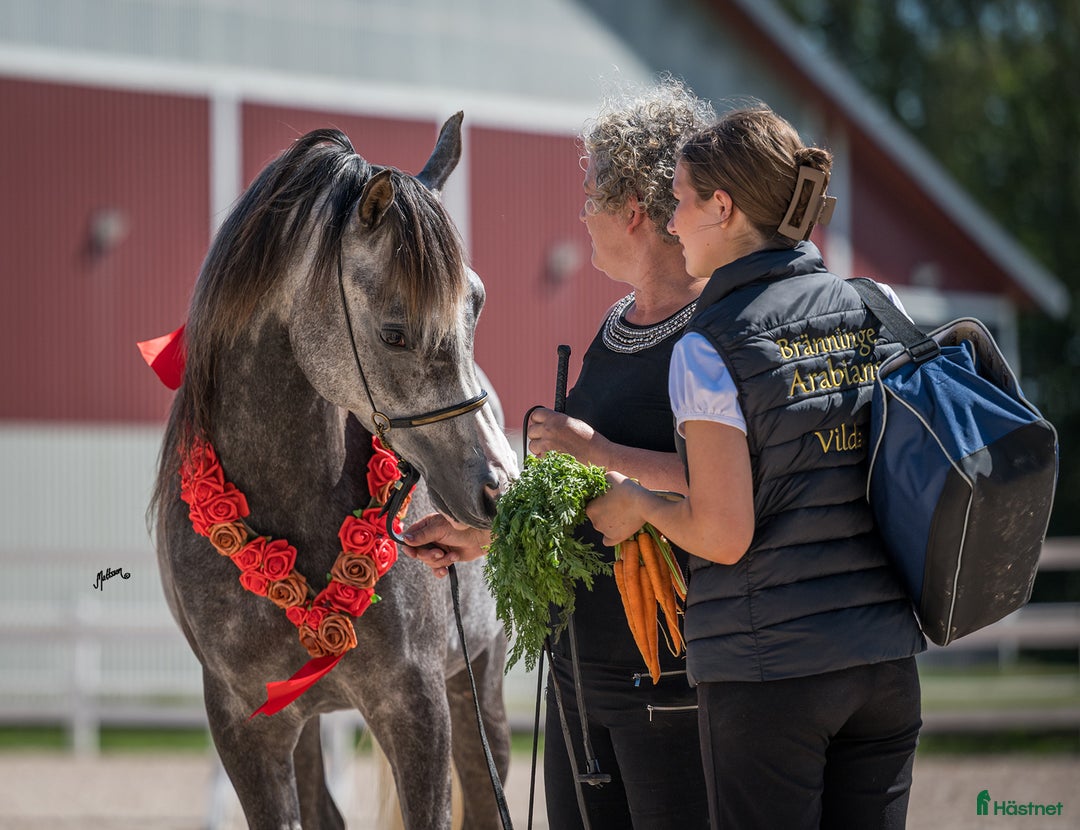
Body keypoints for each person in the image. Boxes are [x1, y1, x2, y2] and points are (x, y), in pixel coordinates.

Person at [583, 103, 927, 830]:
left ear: (723, 206)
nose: (673, 223)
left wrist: (639, 504)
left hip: (770, 675)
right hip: (885, 665)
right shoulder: (875, 306)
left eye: (679, 202)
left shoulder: (708, 349)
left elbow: (723, 533)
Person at [403, 77, 714, 829]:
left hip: (669, 673)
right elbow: (577, 501)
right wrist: (489, 535)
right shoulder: (614, 325)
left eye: (591, 200)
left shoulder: (714, 332)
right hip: (579, 673)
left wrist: (600, 449)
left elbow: (732, 487)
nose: (584, 219)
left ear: (632, 211)